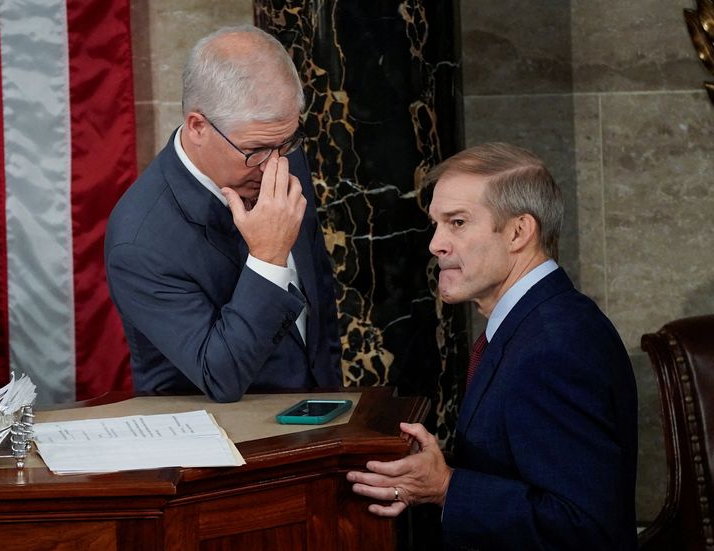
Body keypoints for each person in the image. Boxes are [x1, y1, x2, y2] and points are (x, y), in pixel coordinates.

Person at [347, 143, 638, 550]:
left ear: (519, 231)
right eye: (436, 224)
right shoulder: (535, 323)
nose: (436, 244)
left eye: (458, 223)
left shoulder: (553, 348)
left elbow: (583, 527)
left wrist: (448, 488)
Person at [104, 26, 341, 402]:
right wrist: (268, 258)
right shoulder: (139, 241)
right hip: (227, 448)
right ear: (198, 126)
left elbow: (320, 307)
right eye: (256, 150)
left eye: (287, 144)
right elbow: (221, 376)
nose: (275, 166)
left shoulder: (274, 148)